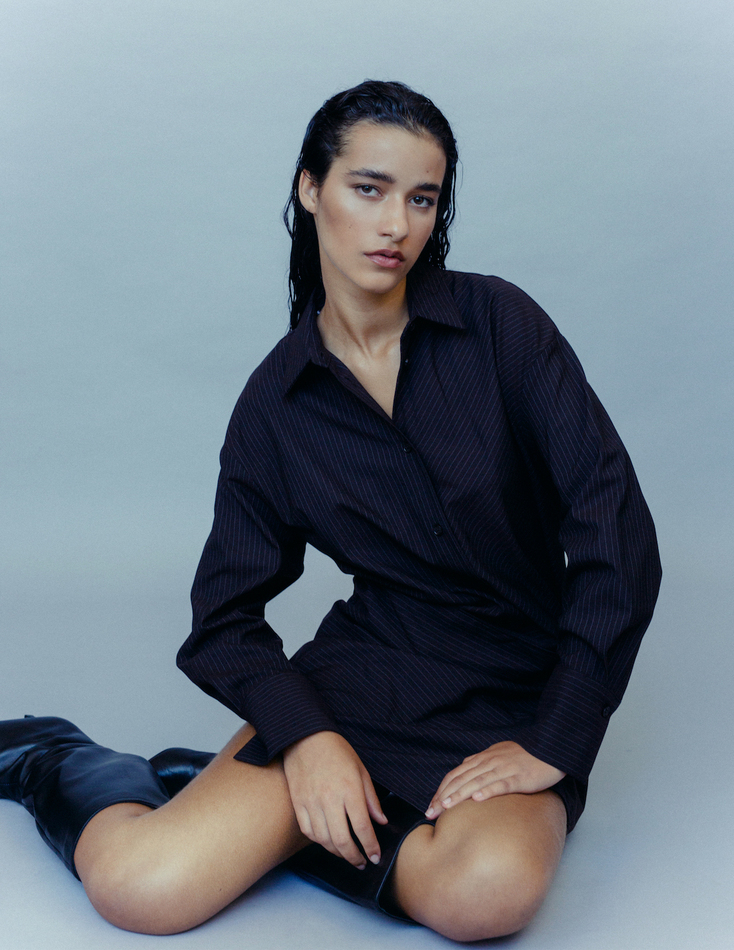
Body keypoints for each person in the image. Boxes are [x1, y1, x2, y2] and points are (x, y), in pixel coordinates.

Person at [0, 80, 661, 942]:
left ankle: (250, 804)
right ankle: (51, 752)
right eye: (369, 188)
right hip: (362, 684)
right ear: (310, 188)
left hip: (522, 695)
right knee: (139, 889)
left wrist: (556, 737)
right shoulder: (275, 404)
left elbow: (618, 536)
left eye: (422, 198)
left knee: (483, 896)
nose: (397, 224)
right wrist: (307, 737)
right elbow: (223, 620)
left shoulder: (502, 326)